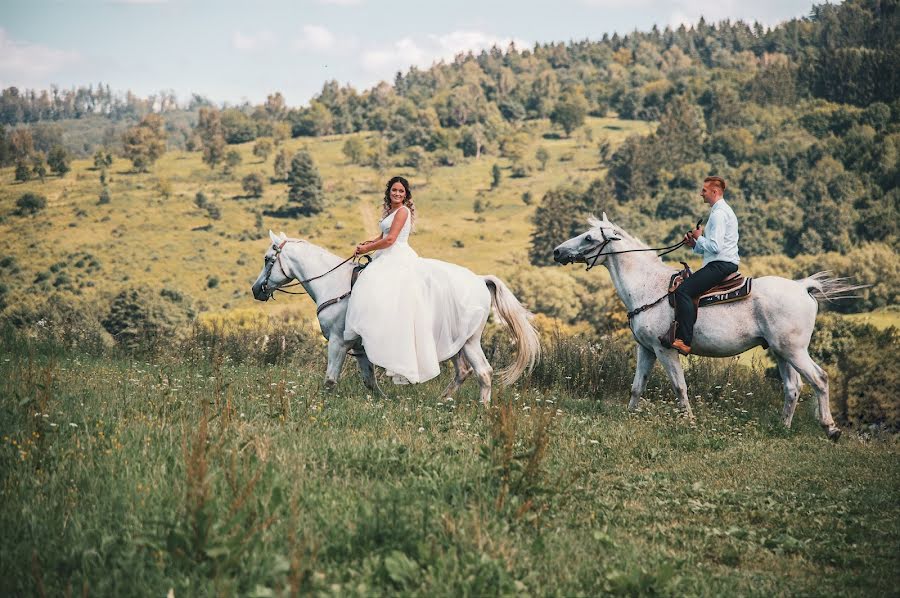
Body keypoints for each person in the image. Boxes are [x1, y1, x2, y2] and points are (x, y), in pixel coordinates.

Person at [343, 176, 489, 384]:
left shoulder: (402, 212)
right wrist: (368, 243)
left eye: (401, 191)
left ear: (406, 195)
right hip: (386, 255)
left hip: (397, 256)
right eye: (394, 190)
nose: (397, 194)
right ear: (389, 192)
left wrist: (368, 249)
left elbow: (392, 239)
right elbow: (383, 235)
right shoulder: (391, 212)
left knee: (379, 291)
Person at [664, 175, 740, 355]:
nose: (701, 194)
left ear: (715, 192)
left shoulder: (719, 214)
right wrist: (694, 244)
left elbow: (715, 247)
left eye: (704, 191)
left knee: (683, 291)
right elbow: (709, 249)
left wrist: (699, 237)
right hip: (720, 262)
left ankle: (684, 340)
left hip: (720, 265)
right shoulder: (719, 211)